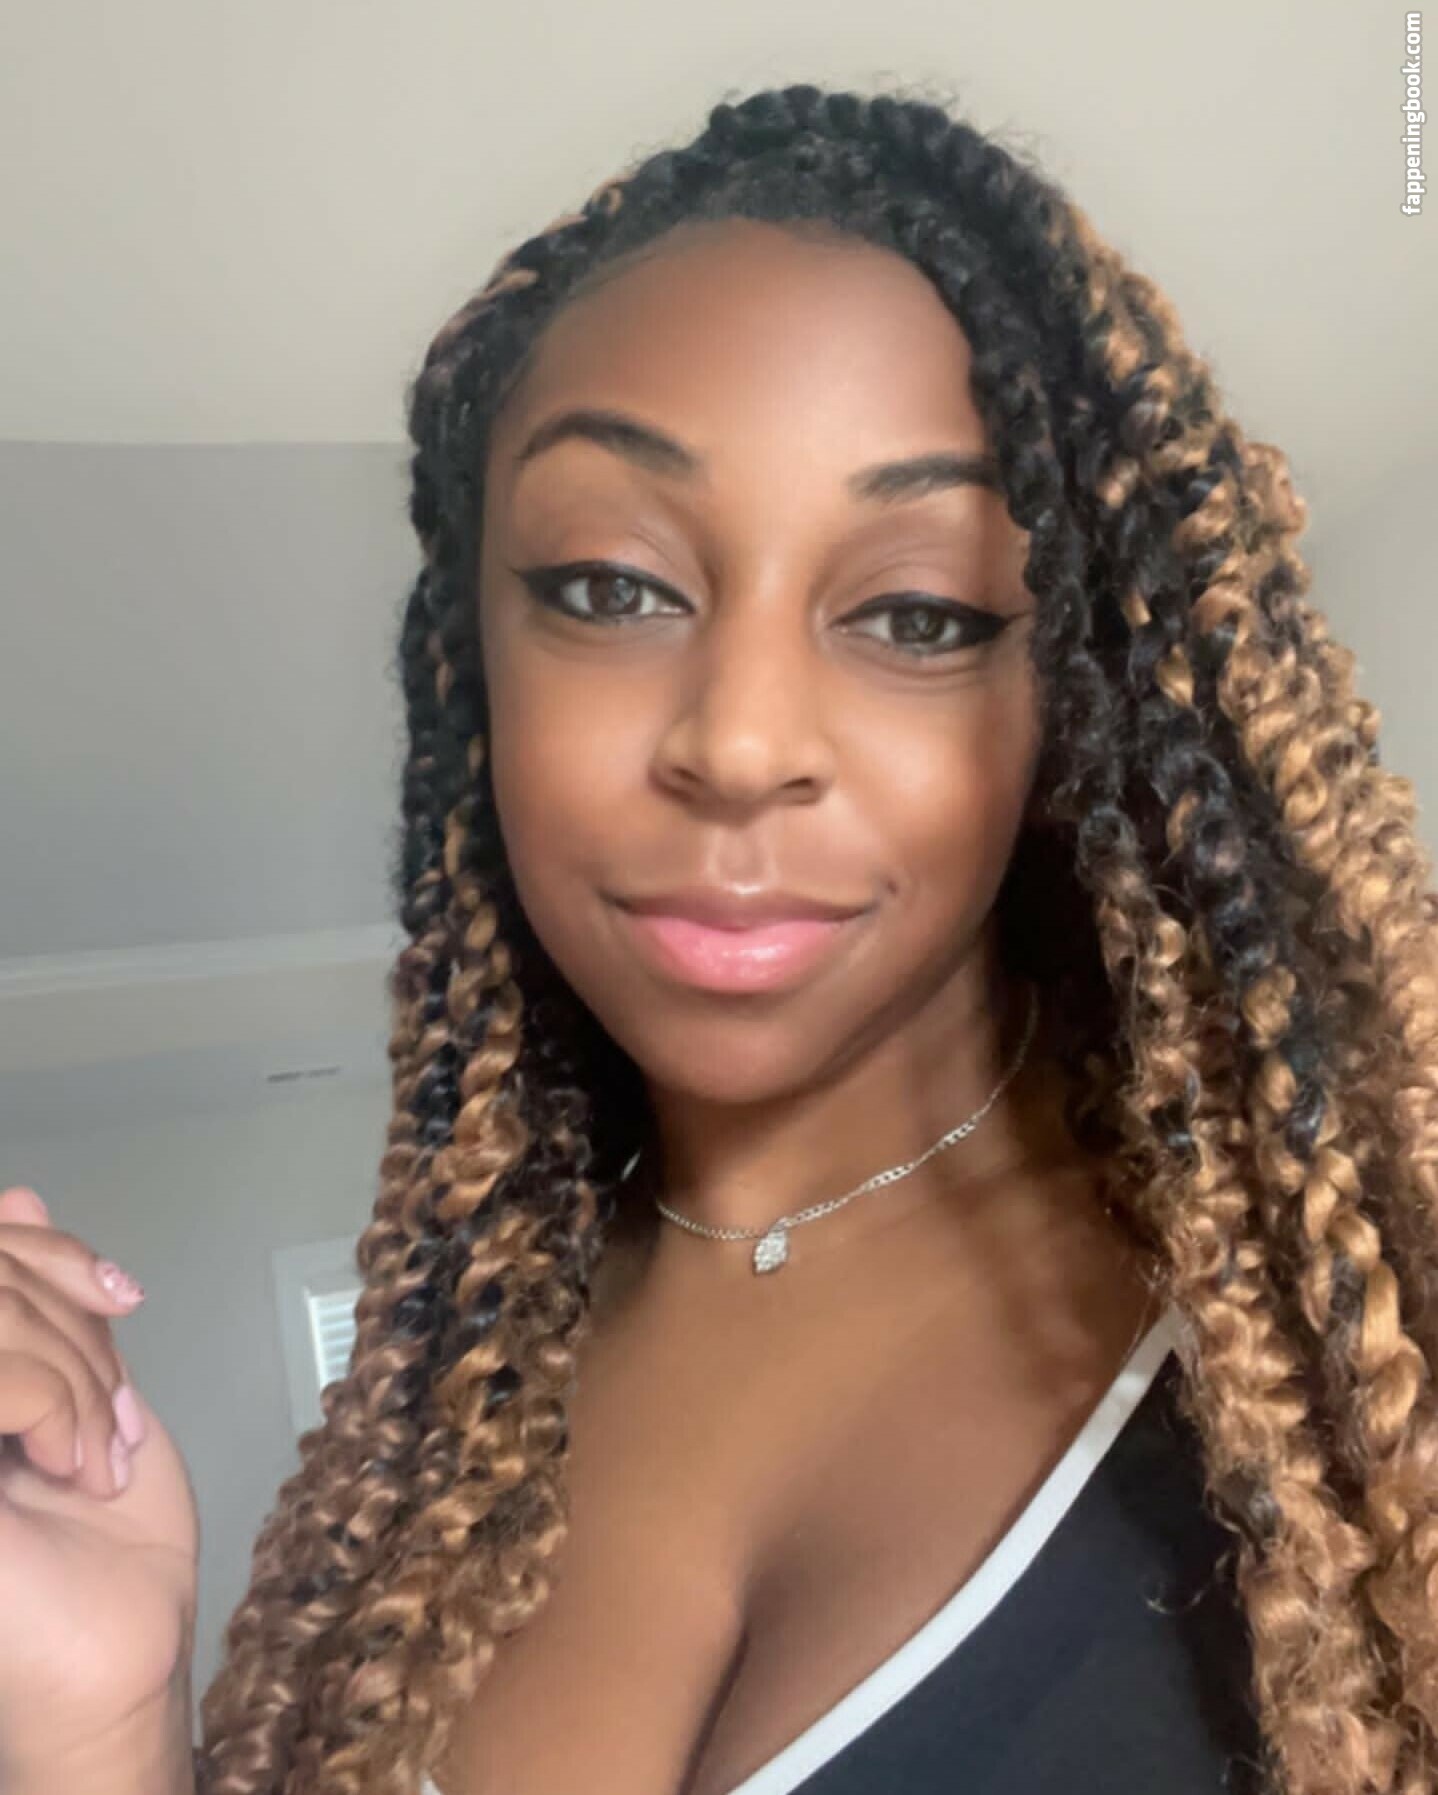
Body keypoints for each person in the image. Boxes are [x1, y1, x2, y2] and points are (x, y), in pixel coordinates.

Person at [2, 78, 1437, 1795]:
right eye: (612, 587)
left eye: (917, 612)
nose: (740, 744)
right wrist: (93, 1722)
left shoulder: (1361, 1374)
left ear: (1071, 696)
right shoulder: (450, 1419)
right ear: (474, 673)